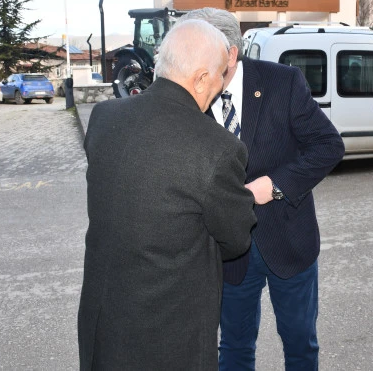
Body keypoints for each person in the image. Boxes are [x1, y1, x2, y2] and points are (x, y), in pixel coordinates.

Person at [77, 19, 257, 370]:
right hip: (169, 333)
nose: (222, 84)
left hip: (103, 320)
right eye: (221, 75)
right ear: (201, 79)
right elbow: (235, 240)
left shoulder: (104, 118)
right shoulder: (217, 148)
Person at [178, 8, 345, 370]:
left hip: (289, 241)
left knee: (300, 344)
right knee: (234, 349)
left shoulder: (283, 82)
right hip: (228, 251)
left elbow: (328, 146)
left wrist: (276, 185)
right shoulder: (187, 97)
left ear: (230, 54)